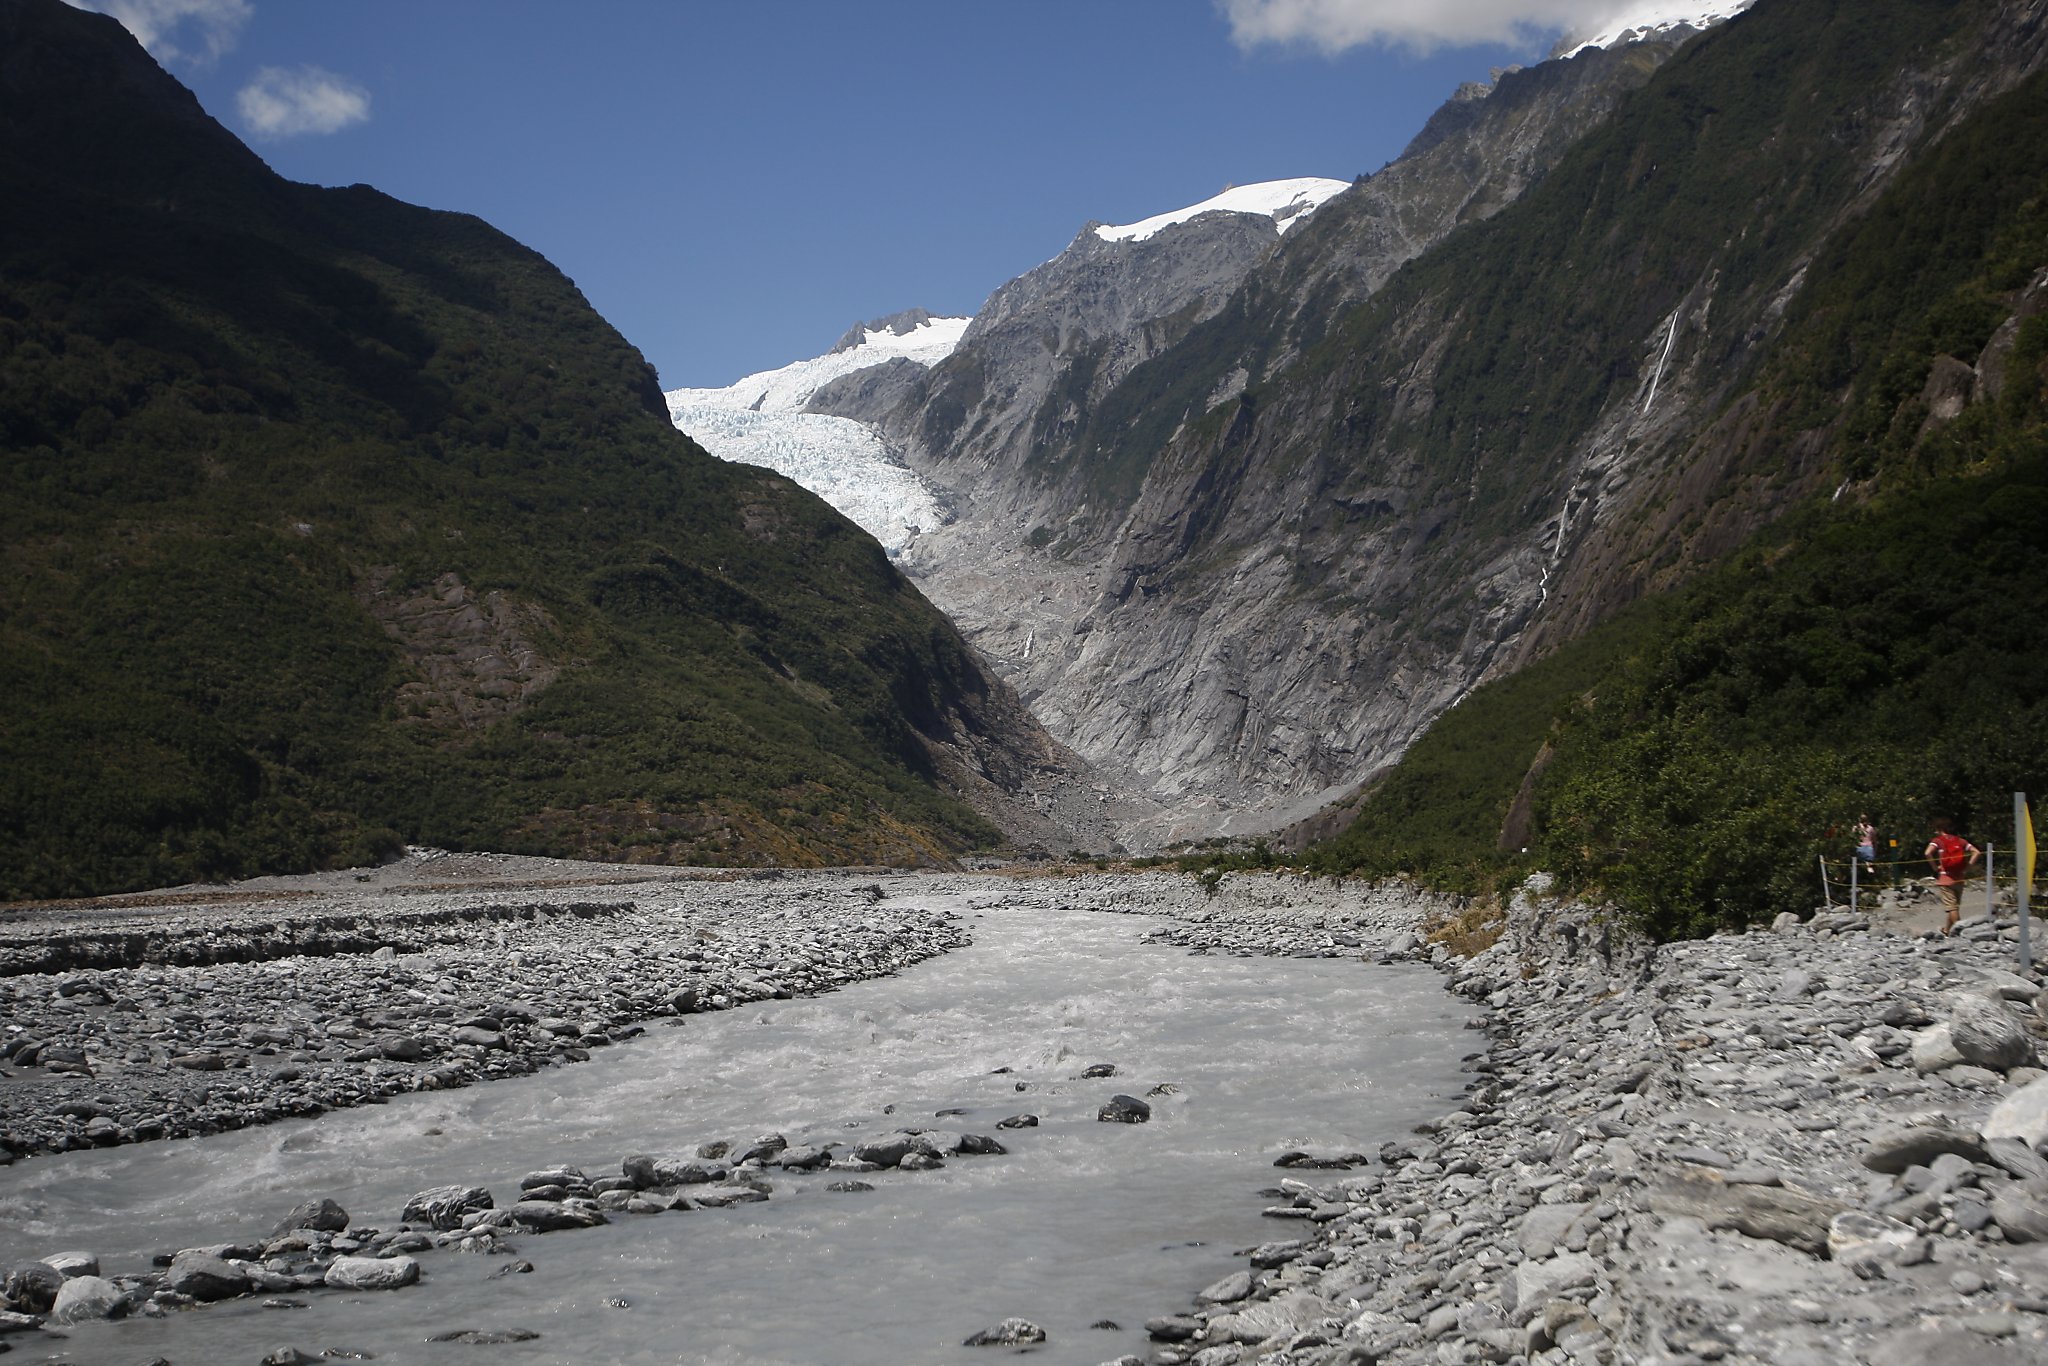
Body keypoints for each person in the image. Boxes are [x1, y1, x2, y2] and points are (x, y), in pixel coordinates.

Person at [1926, 818, 1981, 936]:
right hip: (1959, 877)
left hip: (1946, 878)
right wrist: (1968, 867)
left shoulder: (1938, 841)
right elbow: (1976, 852)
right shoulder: (1960, 841)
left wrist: (1935, 868)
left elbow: (1927, 853)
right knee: (1954, 906)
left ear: (1940, 829)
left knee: (1951, 908)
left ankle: (1961, 931)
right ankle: (1947, 930)